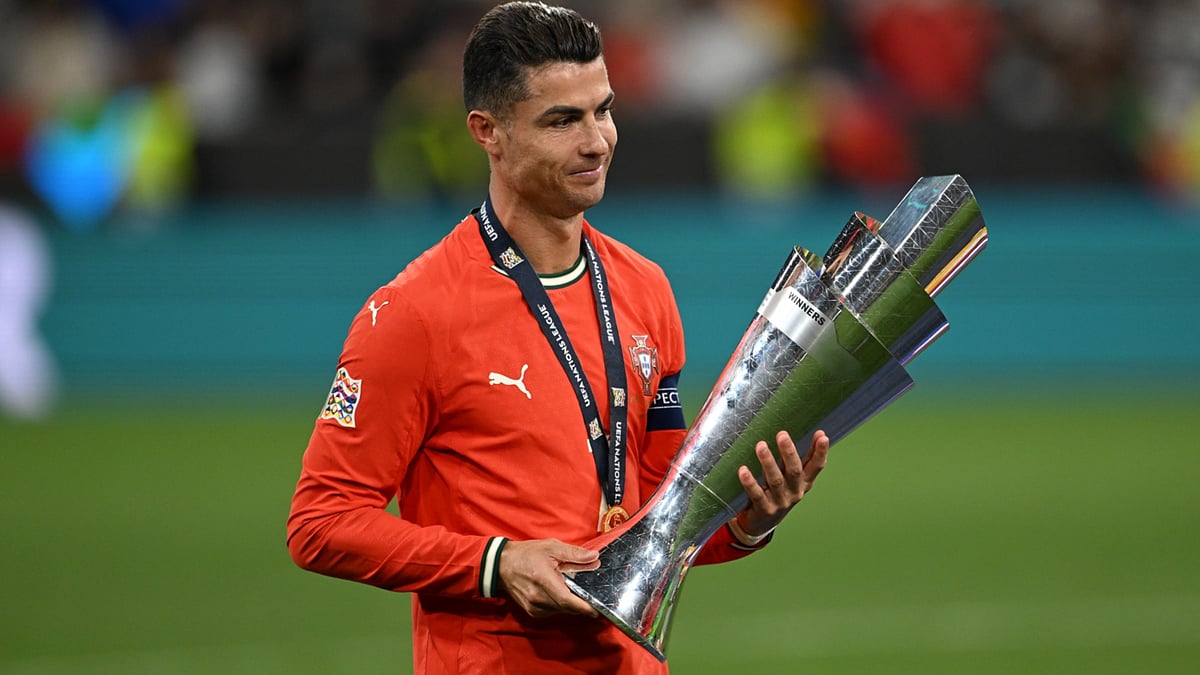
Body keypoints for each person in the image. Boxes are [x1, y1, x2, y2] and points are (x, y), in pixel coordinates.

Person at [286, 3, 830, 673]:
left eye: (603, 110)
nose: (597, 141)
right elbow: (320, 521)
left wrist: (749, 519)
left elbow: (662, 517)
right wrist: (496, 563)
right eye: (562, 120)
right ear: (488, 132)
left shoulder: (645, 289)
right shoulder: (414, 312)